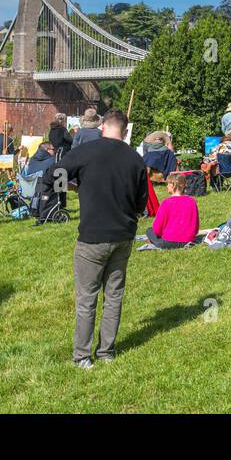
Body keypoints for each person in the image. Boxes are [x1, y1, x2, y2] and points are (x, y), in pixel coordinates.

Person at [52, 109, 150, 368]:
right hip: (123, 235)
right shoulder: (135, 159)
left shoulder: (86, 151)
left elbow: (55, 173)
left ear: (103, 126)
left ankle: (83, 356)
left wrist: (71, 189)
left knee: (87, 299)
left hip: (92, 237)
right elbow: (142, 202)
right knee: (114, 296)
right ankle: (106, 352)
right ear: (126, 131)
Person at [143, 172, 199, 250]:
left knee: (149, 230)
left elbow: (157, 229)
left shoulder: (166, 202)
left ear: (173, 185)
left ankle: (154, 241)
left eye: (168, 184)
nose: (167, 186)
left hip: (168, 242)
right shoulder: (192, 201)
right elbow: (196, 226)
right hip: (188, 240)